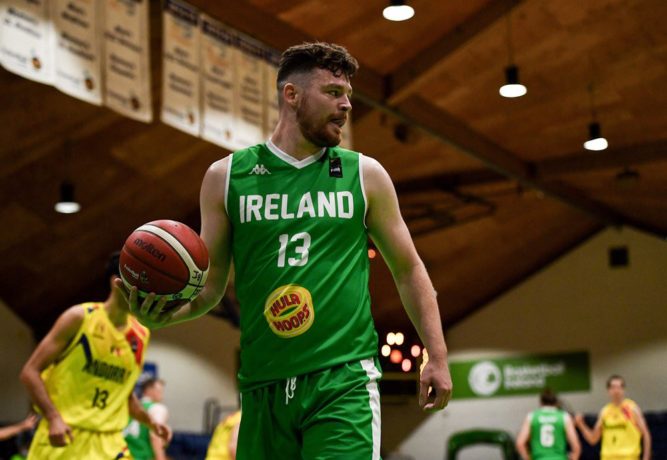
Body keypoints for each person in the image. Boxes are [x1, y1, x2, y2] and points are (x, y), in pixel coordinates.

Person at [120, 41, 452, 459]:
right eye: (333, 92)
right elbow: (210, 290)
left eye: (348, 94)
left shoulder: (364, 175)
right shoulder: (225, 178)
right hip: (263, 386)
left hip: (343, 380)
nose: (346, 105)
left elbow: (408, 270)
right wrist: (162, 317)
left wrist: (435, 355)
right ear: (291, 95)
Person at [20, 253, 171, 460]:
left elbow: (124, 395)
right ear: (116, 282)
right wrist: (53, 416)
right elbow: (30, 372)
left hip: (110, 443)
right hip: (65, 437)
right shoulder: (80, 317)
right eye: (139, 286)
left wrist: (150, 422)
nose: (144, 293)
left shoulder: (140, 334)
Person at [575, 375, 651, 460]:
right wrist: (581, 425)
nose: (616, 391)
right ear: (608, 390)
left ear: (623, 390)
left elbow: (646, 435)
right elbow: (593, 439)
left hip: (628, 457)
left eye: (619, 387)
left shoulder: (632, 408)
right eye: (613, 387)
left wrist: (646, 458)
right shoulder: (605, 411)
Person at [515, 389, 581, 460]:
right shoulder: (564, 417)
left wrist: (527, 458)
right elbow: (576, 447)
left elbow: (520, 443)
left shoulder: (531, 416)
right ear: (556, 402)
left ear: (541, 403)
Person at [125, 378, 170, 460]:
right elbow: (155, 436)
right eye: (160, 391)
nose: (162, 395)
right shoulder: (157, 408)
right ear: (148, 390)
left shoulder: (130, 407)